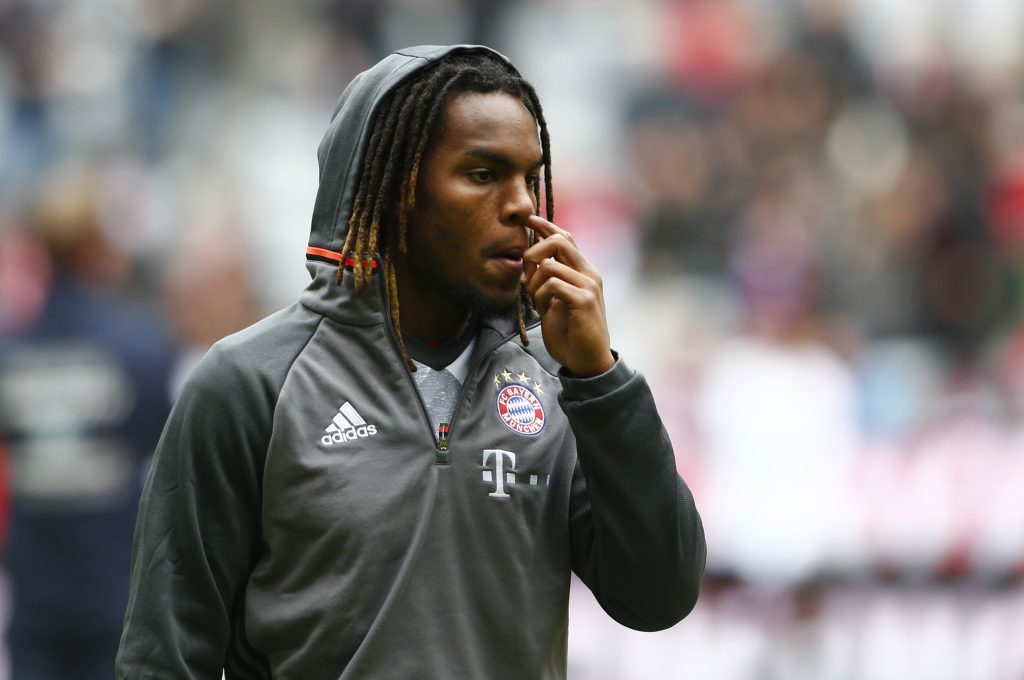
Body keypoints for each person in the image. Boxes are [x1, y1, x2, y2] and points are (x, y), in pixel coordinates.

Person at [116, 45, 706, 679]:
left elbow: (658, 597)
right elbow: (163, 658)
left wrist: (600, 379)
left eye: (530, 178)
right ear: (393, 190)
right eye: (483, 174)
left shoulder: (562, 381)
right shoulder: (249, 383)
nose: (523, 206)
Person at [0, 169, 176, 680]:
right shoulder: (141, 348)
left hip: (35, 597)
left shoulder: (11, 353)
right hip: (115, 595)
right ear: (96, 247)